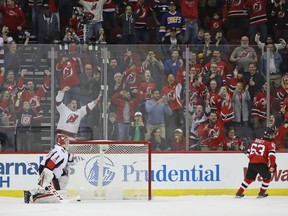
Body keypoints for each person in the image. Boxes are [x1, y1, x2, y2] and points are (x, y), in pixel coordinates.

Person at [24, 134, 82, 203]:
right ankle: (33, 197)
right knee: (55, 195)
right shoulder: (60, 152)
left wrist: (79, 159)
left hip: (51, 173)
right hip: (48, 172)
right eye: (66, 141)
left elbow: (68, 158)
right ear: (62, 142)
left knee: (52, 191)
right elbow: (50, 163)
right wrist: (45, 175)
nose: (68, 142)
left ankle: (30, 193)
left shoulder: (62, 150)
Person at [235, 127, 277, 198]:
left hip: (252, 163)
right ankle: (262, 193)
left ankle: (239, 192)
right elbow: (272, 156)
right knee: (267, 177)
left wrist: (252, 157)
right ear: (270, 134)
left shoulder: (255, 141)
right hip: (261, 164)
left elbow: (249, 153)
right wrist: (273, 166)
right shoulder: (270, 144)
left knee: (248, 178)